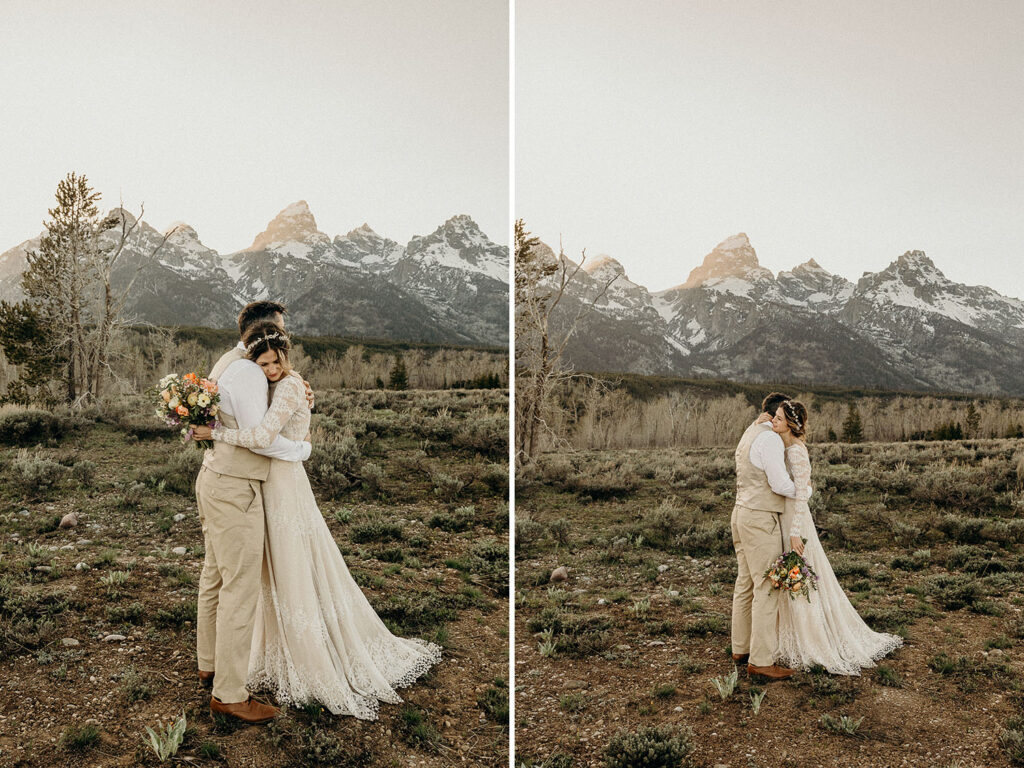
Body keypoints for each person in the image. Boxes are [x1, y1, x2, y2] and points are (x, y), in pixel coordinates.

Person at [193, 324, 441, 719]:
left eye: (278, 359)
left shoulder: (259, 373)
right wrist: (294, 441)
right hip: (249, 484)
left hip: (271, 482)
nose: (271, 367)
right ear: (253, 344)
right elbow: (261, 433)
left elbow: (265, 432)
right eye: (265, 359)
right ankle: (224, 682)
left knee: (271, 569)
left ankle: (228, 664)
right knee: (239, 579)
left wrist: (223, 433)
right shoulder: (246, 370)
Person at [194, 301, 312, 724]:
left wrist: (293, 391)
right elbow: (261, 438)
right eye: (273, 335)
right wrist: (302, 448)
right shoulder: (245, 372)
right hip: (236, 488)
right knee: (239, 589)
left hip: (214, 478)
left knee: (215, 575)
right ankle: (229, 692)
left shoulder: (229, 361)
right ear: (257, 333)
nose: (278, 345)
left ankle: (208, 662)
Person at [772, 399, 903, 674]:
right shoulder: (783, 445)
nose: (774, 421)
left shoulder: (795, 451)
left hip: (795, 522)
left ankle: (811, 641)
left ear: (791, 425)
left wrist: (795, 532)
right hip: (784, 518)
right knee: (790, 577)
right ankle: (788, 636)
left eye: (779, 419)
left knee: (797, 577)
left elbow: (800, 494)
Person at [729, 391, 801, 680]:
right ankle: (760, 660)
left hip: (740, 513)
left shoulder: (750, 430)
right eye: (783, 416)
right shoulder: (769, 438)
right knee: (767, 586)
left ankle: (740, 647)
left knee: (745, 582)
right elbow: (780, 482)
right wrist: (804, 491)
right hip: (760, 519)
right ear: (775, 416)